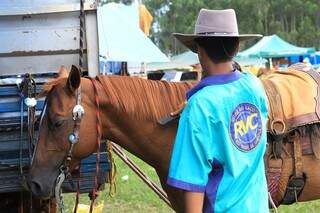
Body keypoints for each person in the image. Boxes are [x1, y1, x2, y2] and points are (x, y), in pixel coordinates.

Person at [167, 9, 269, 212]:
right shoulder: (254, 86)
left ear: (199, 50)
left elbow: (193, 184)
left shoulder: (199, 107)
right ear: (237, 47)